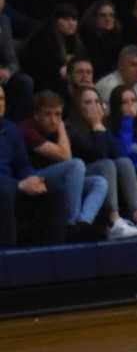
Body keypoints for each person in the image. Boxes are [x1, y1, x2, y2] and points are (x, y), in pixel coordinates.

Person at [21, 90, 109, 242]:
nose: (54, 120)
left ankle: (83, 223)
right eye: (48, 114)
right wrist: (61, 127)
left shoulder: (58, 128)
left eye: (58, 114)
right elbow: (65, 156)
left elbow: (99, 153)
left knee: (99, 182)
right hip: (32, 178)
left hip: (55, 180)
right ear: (36, 115)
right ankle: (71, 224)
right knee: (76, 165)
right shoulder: (27, 129)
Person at [66, 84, 137, 239]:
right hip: (82, 175)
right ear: (77, 106)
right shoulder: (71, 128)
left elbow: (118, 153)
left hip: (100, 171)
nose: (94, 106)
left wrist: (99, 126)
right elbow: (97, 154)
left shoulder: (101, 125)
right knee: (106, 164)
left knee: (124, 162)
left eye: (96, 102)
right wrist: (96, 125)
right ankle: (114, 220)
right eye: (88, 102)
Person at [0, 84, 56, 246]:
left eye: (2, 99)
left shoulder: (10, 129)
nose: (0, 103)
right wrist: (18, 184)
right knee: (4, 192)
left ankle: (54, 253)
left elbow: (23, 164)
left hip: (13, 185)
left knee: (54, 190)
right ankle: (7, 257)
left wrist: (32, 177)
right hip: (6, 187)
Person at [21, 4, 86, 95]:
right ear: (55, 21)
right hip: (44, 85)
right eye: (66, 19)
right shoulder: (42, 38)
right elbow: (44, 69)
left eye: (74, 19)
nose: (71, 23)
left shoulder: (76, 42)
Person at [0, 0, 35, 123]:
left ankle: (18, 127)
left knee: (25, 82)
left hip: (2, 75)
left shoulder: (4, 21)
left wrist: (8, 71)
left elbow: (12, 60)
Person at [80, 0, 124, 79]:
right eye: (103, 15)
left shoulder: (116, 37)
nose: (108, 19)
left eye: (111, 15)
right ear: (94, 17)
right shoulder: (86, 39)